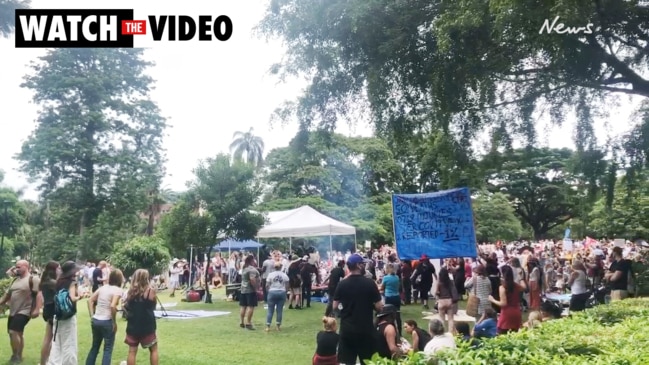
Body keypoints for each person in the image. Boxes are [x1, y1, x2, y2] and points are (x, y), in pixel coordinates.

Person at [333, 253, 383, 365]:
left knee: (347, 362)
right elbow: (379, 306)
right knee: (367, 361)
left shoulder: (342, 284)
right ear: (358, 265)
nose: (364, 266)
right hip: (365, 329)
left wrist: (343, 312)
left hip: (347, 330)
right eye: (363, 264)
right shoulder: (370, 283)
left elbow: (335, 306)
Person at [0, 260, 42, 365]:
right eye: (16, 267)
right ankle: (19, 355)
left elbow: (39, 294)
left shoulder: (33, 279)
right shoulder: (15, 280)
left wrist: (37, 309)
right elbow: (7, 295)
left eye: (18, 267)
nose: (16, 269)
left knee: (13, 332)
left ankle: (16, 356)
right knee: (17, 334)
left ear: (26, 267)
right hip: (13, 311)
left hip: (25, 311)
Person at [48, 261, 84, 365]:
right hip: (68, 316)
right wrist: (80, 297)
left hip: (58, 315)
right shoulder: (72, 282)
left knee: (57, 343)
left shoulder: (58, 282)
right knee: (69, 343)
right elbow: (72, 298)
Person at [86, 269, 125, 365]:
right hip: (107, 321)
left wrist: (92, 315)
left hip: (96, 320)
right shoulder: (118, 290)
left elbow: (90, 300)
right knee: (107, 349)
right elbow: (112, 306)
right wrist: (114, 322)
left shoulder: (103, 288)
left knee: (95, 347)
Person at [123, 269, 158, 365]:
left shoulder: (130, 291)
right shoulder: (151, 291)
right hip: (147, 325)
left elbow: (125, 306)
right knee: (153, 350)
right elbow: (153, 306)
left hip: (133, 325)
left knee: (132, 351)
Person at [489, 265, 526, 334]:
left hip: (506, 314)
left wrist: (492, 300)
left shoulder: (502, 288)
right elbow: (524, 287)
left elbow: (503, 303)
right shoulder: (515, 285)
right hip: (516, 312)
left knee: (502, 335)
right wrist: (521, 278)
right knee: (514, 336)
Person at [39, 261, 60, 365]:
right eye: (58, 268)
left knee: (48, 337)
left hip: (47, 309)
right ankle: (44, 361)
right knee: (49, 339)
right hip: (53, 310)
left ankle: (44, 361)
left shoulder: (44, 282)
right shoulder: (53, 283)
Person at [265, 262, 289, 332]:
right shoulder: (284, 275)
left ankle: (268, 326)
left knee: (270, 310)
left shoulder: (270, 275)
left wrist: (268, 291)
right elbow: (287, 285)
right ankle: (278, 326)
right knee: (279, 310)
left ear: (274, 267)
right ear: (281, 267)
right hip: (281, 292)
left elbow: (267, 285)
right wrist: (285, 291)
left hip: (272, 292)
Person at [239, 254, 260, 330]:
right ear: (252, 260)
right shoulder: (252, 270)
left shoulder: (244, 268)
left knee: (243, 306)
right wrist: (255, 288)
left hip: (243, 289)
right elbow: (252, 279)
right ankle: (248, 322)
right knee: (251, 306)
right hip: (250, 290)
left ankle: (241, 322)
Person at [381, 264, 402, 337]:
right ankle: (400, 332)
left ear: (387, 269)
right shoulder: (397, 277)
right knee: (398, 315)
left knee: (389, 316)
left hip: (389, 297)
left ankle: (392, 332)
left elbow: (382, 288)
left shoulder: (385, 278)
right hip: (396, 297)